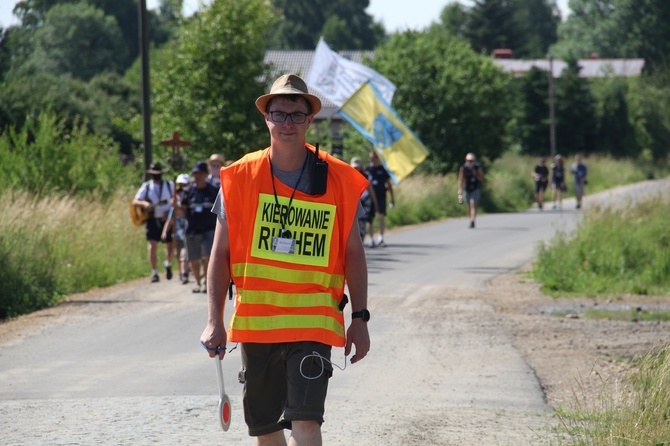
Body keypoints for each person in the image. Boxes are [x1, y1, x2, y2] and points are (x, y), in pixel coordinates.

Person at [200, 73, 371, 445]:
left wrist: (359, 318)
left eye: (296, 114)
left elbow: (353, 252)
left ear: (310, 119)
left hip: (313, 325)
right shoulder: (240, 177)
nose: (287, 123)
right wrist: (214, 320)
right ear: (267, 118)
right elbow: (220, 254)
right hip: (257, 326)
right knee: (266, 431)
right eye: (280, 114)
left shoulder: (338, 179)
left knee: (307, 423)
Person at [132, 163, 175, 283]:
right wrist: (145, 204)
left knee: (170, 246)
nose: (156, 177)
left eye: (158, 175)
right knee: (152, 246)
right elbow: (135, 201)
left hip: (166, 220)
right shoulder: (146, 187)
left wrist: (170, 210)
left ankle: (168, 263)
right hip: (152, 219)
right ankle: (155, 272)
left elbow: (175, 199)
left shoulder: (169, 185)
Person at [183, 161, 219, 293]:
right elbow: (182, 211)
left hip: (209, 229)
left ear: (205, 174)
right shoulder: (188, 192)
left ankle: (206, 282)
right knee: (193, 258)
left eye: (200, 173)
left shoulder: (213, 191)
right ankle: (198, 282)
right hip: (192, 230)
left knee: (207, 256)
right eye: (195, 173)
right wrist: (175, 207)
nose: (197, 176)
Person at [162, 173, 191, 284]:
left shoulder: (189, 197)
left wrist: (177, 206)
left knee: (184, 254)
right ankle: (181, 273)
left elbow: (184, 212)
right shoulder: (175, 201)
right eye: (180, 185)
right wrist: (165, 231)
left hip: (187, 231)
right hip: (177, 233)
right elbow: (170, 218)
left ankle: (184, 274)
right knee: (178, 255)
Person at [365, 150, 394, 247]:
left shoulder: (382, 170)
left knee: (381, 216)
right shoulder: (368, 170)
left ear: (378, 159)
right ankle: (371, 238)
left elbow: (389, 184)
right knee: (370, 219)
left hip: (381, 196)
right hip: (370, 198)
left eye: (374, 158)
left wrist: (392, 198)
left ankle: (381, 237)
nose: (372, 160)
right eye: (371, 158)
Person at [350, 157, 378, 243]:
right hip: (354, 200)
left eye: (358, 167)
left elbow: (371, 190)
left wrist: (375, 203)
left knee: (362, 220)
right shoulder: (349, 175)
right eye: (355, 167)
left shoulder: (365, 176)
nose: (357, 169)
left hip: (365, 200)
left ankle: (361, 240)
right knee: (355, 220)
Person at [457, 152, 485, 229]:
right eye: (468, 160)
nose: (470, 162)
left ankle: (473, 220)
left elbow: (481, 178)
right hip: (467, 188)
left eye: (471, 160)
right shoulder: (463, 168)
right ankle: (471, 219)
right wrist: (460, 189)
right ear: (466, 160)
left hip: (475, 188)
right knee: (468, 205)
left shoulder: (477, 167)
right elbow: (460, 179)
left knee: (473, 204)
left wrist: (475, 174)